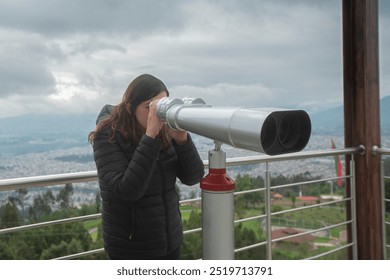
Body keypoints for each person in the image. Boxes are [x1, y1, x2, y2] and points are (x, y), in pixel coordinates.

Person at [88, 74, 205, 260]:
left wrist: (182, 140)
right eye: (149, 107)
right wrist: (150, 137)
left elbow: (193, 177)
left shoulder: (165, 133)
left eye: (161, 106)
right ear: (129, 108)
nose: (156, 114)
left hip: (169, 241)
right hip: (131, 248)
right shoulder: (108, 136)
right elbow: (127, 190)